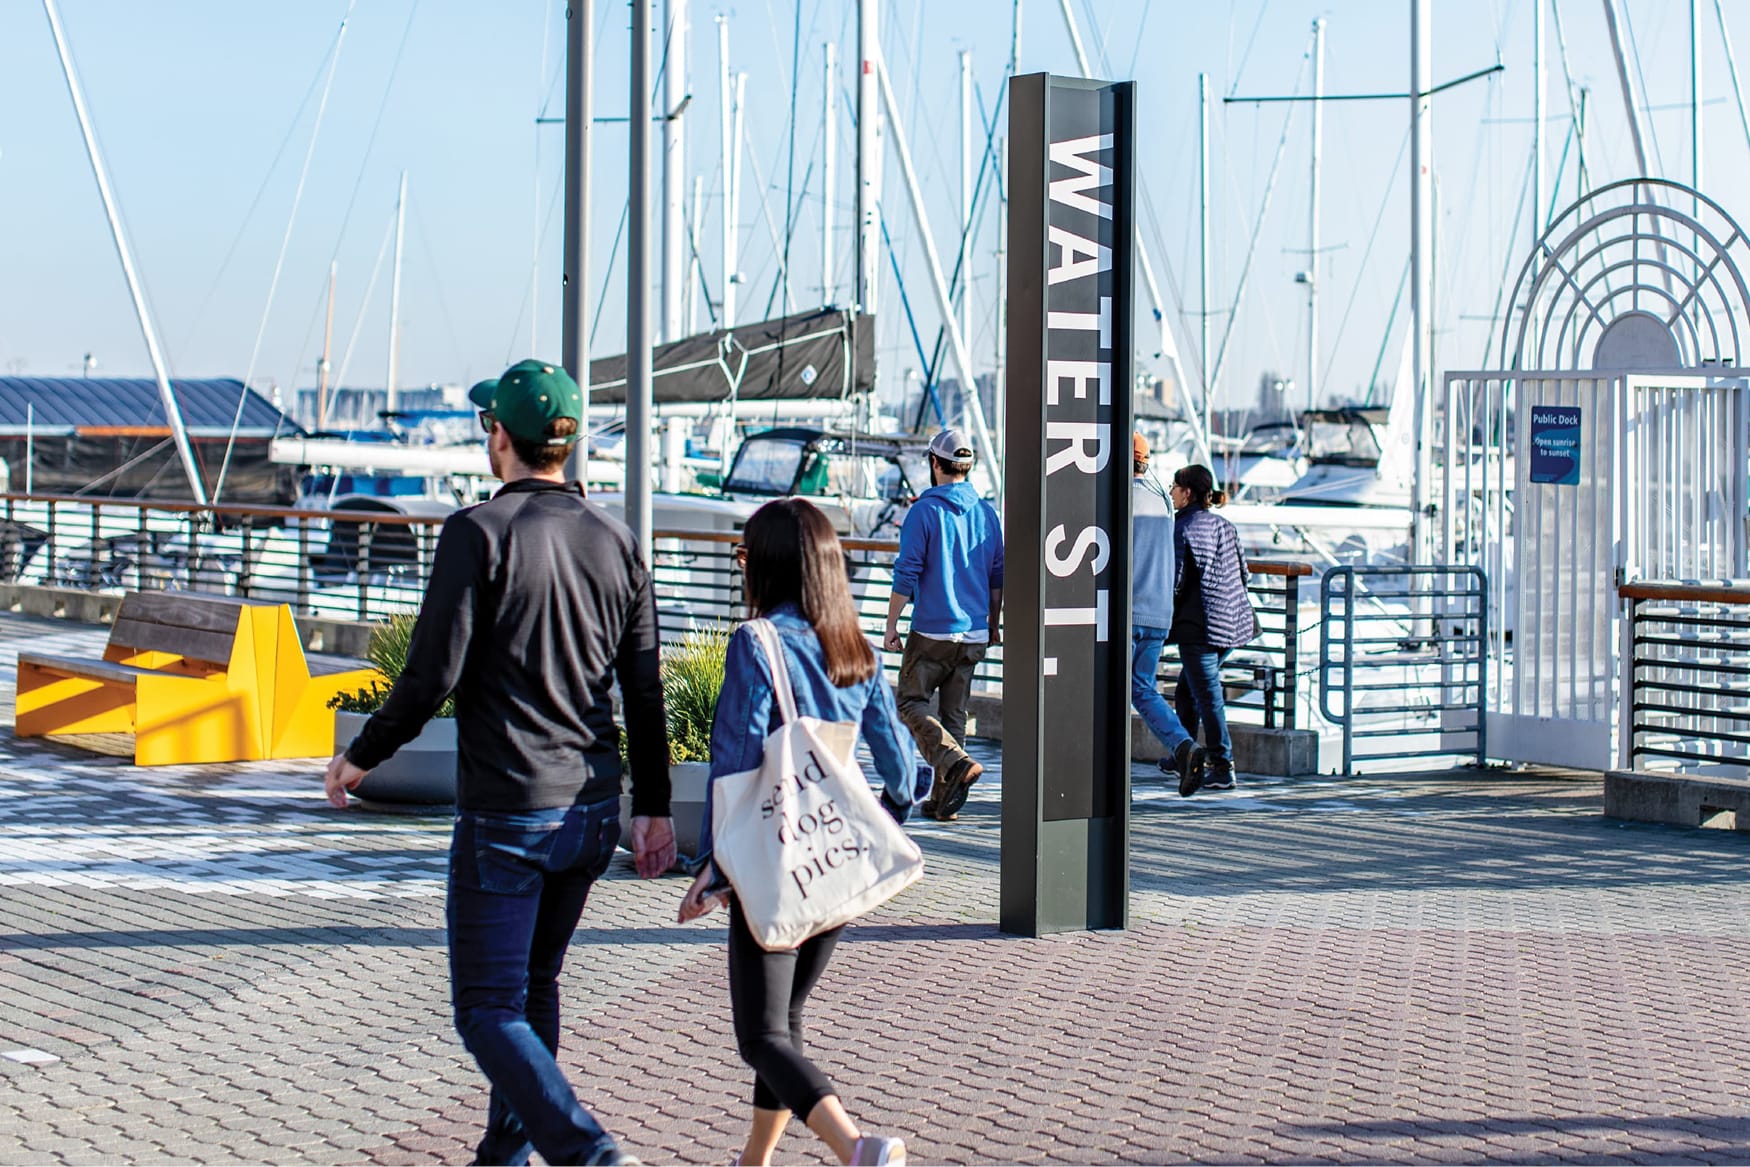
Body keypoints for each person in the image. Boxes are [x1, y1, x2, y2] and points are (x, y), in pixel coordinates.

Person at [323, 359, 675, 1167]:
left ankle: (587, 1153)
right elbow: (645, 691)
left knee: (486, 1007)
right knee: (535, 986)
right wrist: (650, 807)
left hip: (510, 812)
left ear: (500, 437)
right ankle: (503, 1155)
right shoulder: (617, 541)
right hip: (590, 811)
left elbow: (430, 676)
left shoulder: (476, 532)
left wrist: (359, 757)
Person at [679, 498, 917, 1167]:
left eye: (745, 555)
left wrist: (714, 867)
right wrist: (880, 820)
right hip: (833, 857)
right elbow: (900, 768)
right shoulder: (855, 645)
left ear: (770, 565)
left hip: (774, 859)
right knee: (785, 1024)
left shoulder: (756, 644)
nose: (742, 565)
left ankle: (858, 1145)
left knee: (760, 1035)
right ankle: (753, 1161)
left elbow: (733, 760)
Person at [882, 428, 1004, 821]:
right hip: (974, 631)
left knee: (909, 702)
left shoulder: (924, 511)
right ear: (968, 467)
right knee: (953, 713)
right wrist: (993, 624)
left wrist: (891, 625)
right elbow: (997, 577)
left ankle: (953, 761)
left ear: (935, 464)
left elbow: (907, 572)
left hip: (932, 629)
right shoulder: (987, 513)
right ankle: (942, 801)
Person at [1167, 463, 1255, 796]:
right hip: (1232, 624)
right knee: (1187, 693)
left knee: (1208, 698)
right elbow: (1244, 574)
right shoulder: (1225, 526)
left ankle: (1222, 766)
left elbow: (1174, 582)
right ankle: (1182, 755)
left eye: (1175, 487)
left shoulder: (1182, 529)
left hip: (1198, 627)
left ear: (1187, 493)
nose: (1172, 492)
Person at [1128, 433, 1200, 785]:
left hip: (1127, 612)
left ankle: (1102, 781)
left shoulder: (1118, 497)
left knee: (1110, 692)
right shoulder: (1161, 498)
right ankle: (1183, 744)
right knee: (1141, 688)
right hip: (1158, 613)